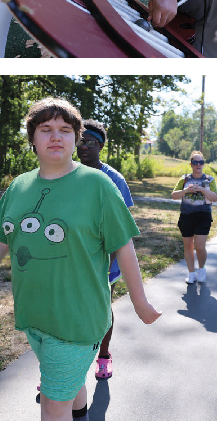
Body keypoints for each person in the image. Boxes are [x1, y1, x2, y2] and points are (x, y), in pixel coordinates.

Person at [0, 96, 160, 420]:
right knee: (70, 388)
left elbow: (124, 246)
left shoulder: (98, 186)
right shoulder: (19, 187)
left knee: (52, 405)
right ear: (32, 139)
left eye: (65, 130)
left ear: (76, 138)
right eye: (45, 129)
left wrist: (139, 301)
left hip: (77, 320)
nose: (55, 136)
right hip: (35, 317)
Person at [76, 118, 133, 382]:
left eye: (90, 142)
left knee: (101, 309)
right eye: (80, 141)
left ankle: (103, 356)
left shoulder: (114, 180)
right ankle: (62, 369)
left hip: (104, 260)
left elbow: (121, 228)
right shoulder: (66, 174)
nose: (83, 146)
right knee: (69, 310)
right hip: (72, 258)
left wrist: (105, 268)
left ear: (100, 146)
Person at [172, 150, 217, 288]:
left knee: (200, 246)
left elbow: (215, 197)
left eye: (201, 162)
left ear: (203, 164)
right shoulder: (184, 179)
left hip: (203, 216)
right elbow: (174, 195)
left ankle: (201, 268)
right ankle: (191, 273)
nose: (198, 164)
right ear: (191, 164)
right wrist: (186, 190)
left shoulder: (209, 180)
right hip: (186, 216)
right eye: (195, 162)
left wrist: (202, 190)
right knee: (188, 246)